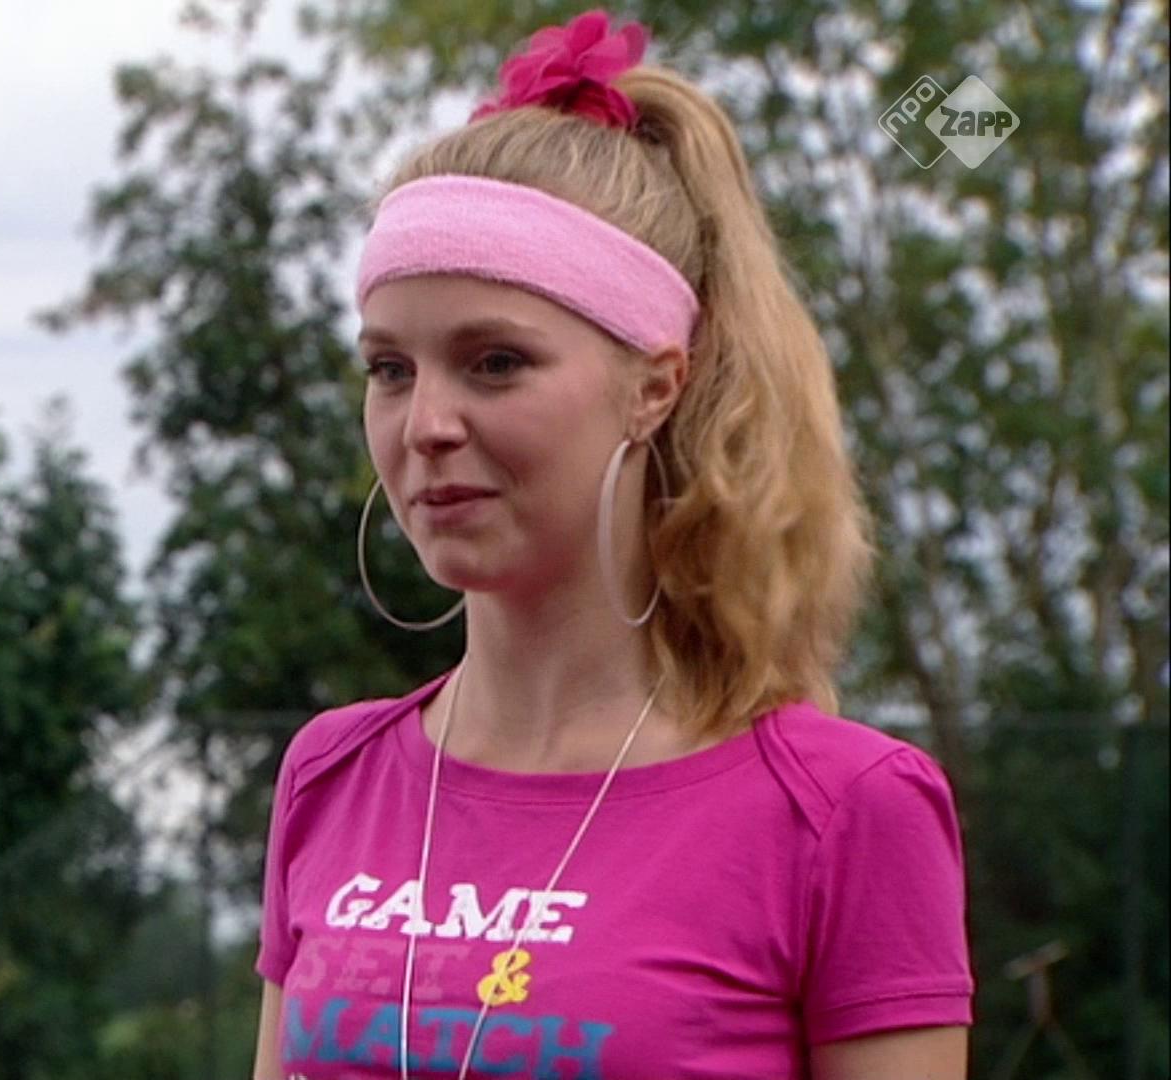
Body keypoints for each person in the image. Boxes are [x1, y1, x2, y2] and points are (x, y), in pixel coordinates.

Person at [250, 11, 974, 1080]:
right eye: (390, 369)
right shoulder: (331, 776)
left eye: (495, 363)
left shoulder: (842, 810)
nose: (427, 423)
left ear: (655, 385)